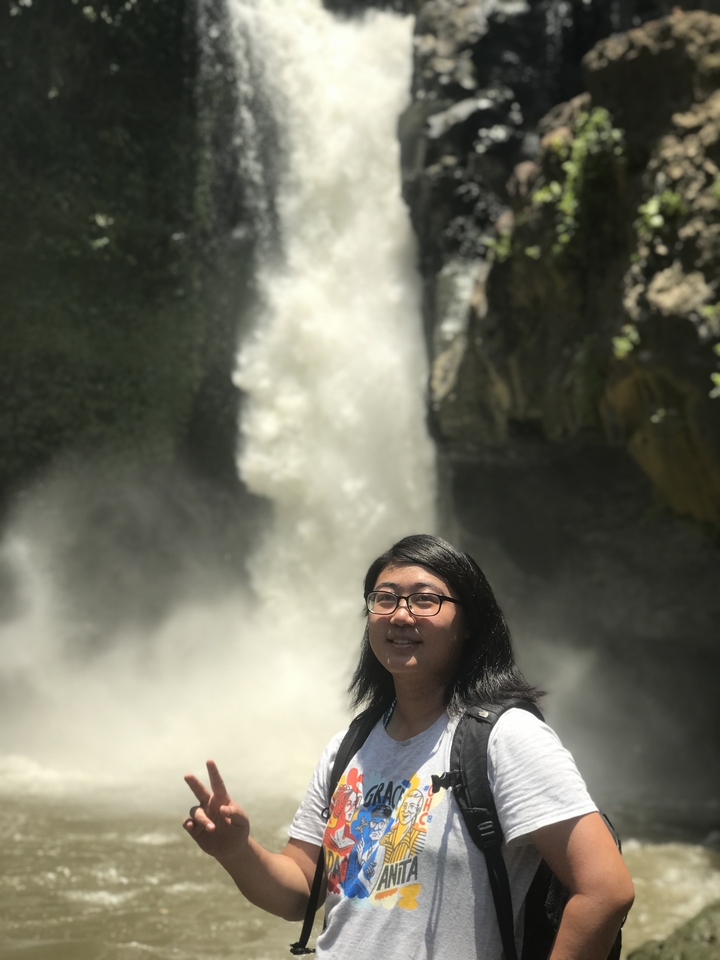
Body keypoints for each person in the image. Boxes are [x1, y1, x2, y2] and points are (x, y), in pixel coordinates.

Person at [183, 534, 634, 959]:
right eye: (385, 598)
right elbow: (300, 889)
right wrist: (236, 849)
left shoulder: (506, 738)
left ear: (469, 624)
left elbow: (605, 889)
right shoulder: (349, 747)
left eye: (425, 599)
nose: (400, 615)